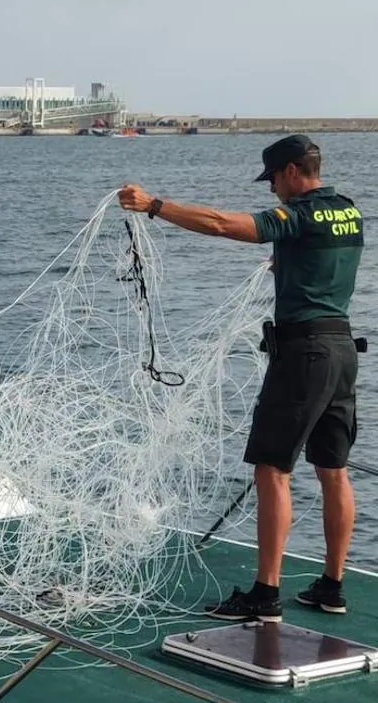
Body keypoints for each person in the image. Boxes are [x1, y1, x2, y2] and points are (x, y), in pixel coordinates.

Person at [118, 134, 362, 623]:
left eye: (273, 178)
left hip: (303, 355)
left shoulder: (300, 214)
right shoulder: (349, 211)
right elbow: (323, 259)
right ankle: (332, 587)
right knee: (333, 470)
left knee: (272, 469)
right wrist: (289, 261)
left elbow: (222, 223)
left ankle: (264, 595)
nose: (272, 188)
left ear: (293, 171)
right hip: (342, 351)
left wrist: (155, 205)